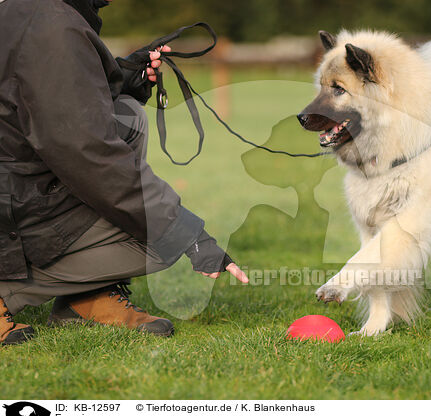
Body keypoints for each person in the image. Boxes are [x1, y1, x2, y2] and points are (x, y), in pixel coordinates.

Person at [0, 0, 248, 345]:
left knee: (126, 114)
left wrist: (118, 78)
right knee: (157, 241)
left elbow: (33, 104)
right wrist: (188, 236)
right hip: (10, 210)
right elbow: (88, 153)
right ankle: (13, 288)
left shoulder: (30, 11)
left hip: (15, 188)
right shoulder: (50, 23)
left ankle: (88, 298)